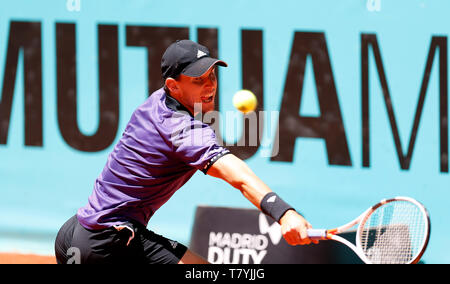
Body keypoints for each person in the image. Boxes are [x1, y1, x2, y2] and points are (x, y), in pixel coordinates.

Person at [54, 39, 317, 264]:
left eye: (212, 76)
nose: (210, 86)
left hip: (76, 234)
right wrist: (283, 212)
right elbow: (237, 175)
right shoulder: (180, 129)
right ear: (173, 85)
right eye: (198, 80)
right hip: (108, 242)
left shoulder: (157, 103)